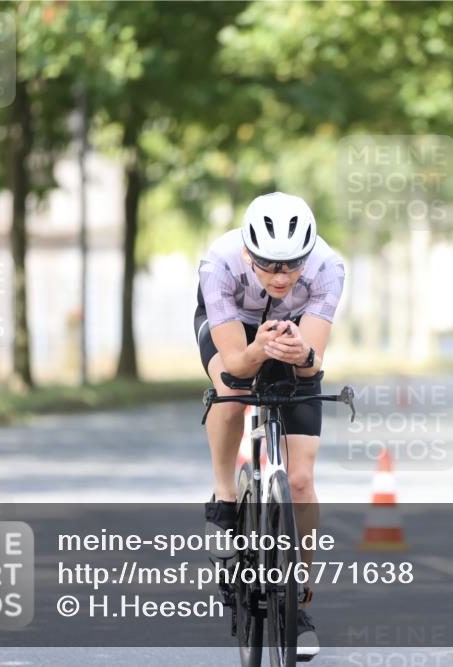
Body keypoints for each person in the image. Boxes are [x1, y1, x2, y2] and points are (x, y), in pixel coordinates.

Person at [194, 191, 344, 661]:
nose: (280, 276)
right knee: (233, 391)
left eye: (291, 265)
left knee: (299, 480)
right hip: (234, 332)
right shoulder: (218, 264)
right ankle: (224, 498)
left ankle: (297, 603)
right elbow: (237, 363)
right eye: (268, 265)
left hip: (296, 334)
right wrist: (259, 350)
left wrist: (302, 355)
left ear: (308, 254)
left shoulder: (327, 268)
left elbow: (311, 364)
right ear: (247, 254)